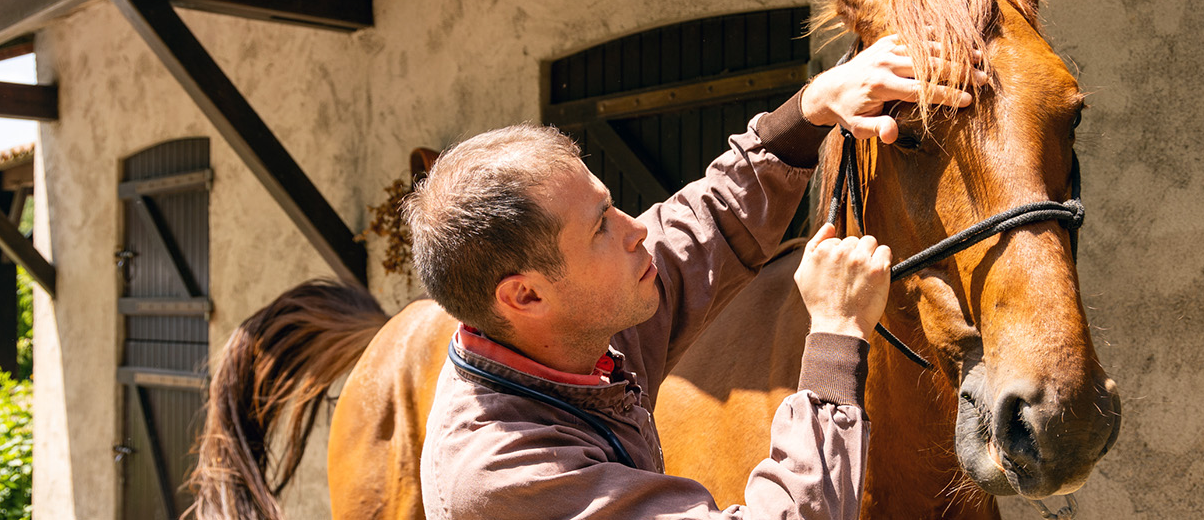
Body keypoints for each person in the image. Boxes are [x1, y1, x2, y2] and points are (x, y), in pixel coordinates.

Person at [404, 35, 982, 519]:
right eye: (600, 227)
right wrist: (834, 334)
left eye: (611, 205)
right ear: (525, 294)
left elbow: (703, 226)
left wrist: (812, 108)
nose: (636, 229)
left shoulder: (571, 333)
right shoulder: (506, 475)